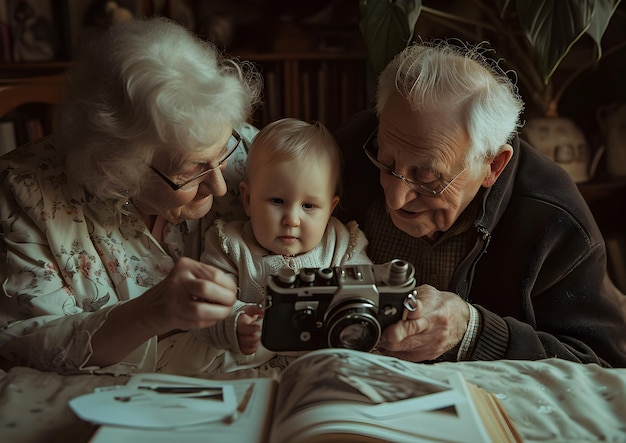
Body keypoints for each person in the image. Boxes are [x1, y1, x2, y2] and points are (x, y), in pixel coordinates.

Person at [334, 40, 626, 367]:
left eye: (427, 176)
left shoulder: (554, 218)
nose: (395, 197)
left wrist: (473, 331)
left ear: (492, 166)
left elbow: (604, 363)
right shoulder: (343, 154)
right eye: (385, 163)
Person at [0, 17, 263, 374]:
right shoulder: (24, 195)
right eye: (191, 169)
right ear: (118, 168)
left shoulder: (253, 154)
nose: (220, 187)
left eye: (224, 150)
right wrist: (148, 313)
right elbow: (23, 347)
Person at [200, 117, 371, 371]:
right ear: (247, 200)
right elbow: (209, 304)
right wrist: (236, 322)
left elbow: (365, 294)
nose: (291, 219)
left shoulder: (341, 244)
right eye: (277, 201)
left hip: (323, 369)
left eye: (309, 206)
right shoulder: (229, 245)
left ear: (330, 209)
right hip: (249, 373)